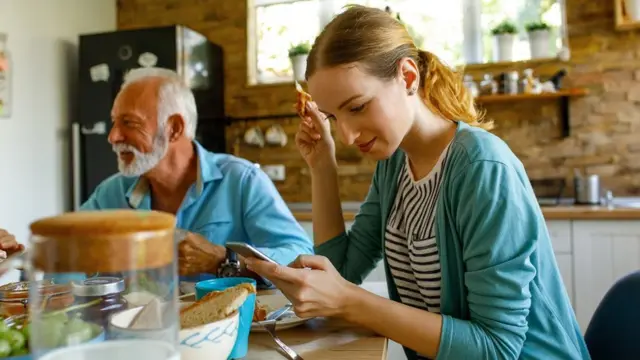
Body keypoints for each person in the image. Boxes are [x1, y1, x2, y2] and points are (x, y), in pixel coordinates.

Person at [245, 5, 589, 360]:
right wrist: (322, 166)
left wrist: (349, 302)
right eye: (334, 117)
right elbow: (343, 270)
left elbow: (497, 348)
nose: (346, 136)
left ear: (408, 78)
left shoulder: (481, 167)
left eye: (358, 107)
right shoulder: (395, 165)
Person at [72, 67, 312, 287]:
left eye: (129, 123)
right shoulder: (110, 193)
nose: (113, 136)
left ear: (174, 128)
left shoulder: (241, 180)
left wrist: (222, 259)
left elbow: (300, 256)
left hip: (230, 332)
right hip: (140, 332)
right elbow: (67, 252)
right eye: (114, 123)